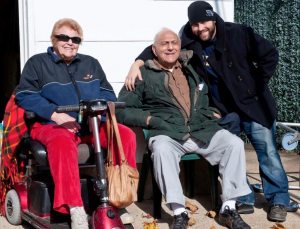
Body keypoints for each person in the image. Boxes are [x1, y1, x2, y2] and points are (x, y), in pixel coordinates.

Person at [124, 1, 290, 222]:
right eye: (195, 24)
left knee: (267, 153)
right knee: (233, 147)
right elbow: (163, 45)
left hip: (253, 105)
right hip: (225, 109)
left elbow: (270, 54)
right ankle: (244, 199)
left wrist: (256, 85)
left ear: (213, 19)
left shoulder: (239, 33)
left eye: (204, 22)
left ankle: (278, 199)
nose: (200, 28)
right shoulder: (189, 38)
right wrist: (137, 62)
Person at [117, 28, 251, 229]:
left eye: (174, 43)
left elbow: (206, 95)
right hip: (167, 133)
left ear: (180, 47)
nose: (170, 47)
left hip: (200, 130)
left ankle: (228, 209)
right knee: (161, 149)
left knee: (234, 143)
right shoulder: (142, 74)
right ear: (153, 50)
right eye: (164, 44)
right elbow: (122, 109)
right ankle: (180, 212)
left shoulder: (193, 68)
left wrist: (211, 112)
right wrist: (150, 119)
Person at [15, 18, 136, 229]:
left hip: (90, 124)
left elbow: (108, 93)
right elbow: (25, 95)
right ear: (54, 39)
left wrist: (99, 115)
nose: (70, 42)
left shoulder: (91, 63)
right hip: (50, 123)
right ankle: (75, 208)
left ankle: (118, 200)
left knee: (126, 135)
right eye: (64, 37)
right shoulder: (37, 63)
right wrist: (54, 114)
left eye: (75, 39)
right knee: (61, 141)